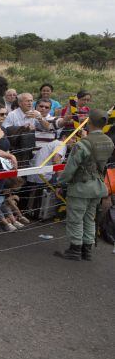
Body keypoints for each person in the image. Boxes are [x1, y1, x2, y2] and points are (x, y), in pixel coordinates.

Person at [56, 109, 114, 261]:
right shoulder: (109, 142)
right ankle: (87, 249)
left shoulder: (83, 144)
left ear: (90, 122)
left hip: (81, 187)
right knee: (89, 218)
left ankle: (75, 249)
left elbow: (70, 168)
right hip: (98, 186)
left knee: (75, 218)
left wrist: (60, 183)